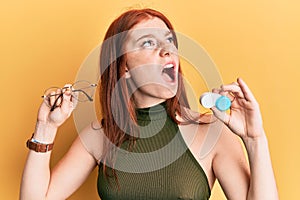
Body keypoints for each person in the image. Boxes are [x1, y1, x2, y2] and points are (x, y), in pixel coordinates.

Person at [20, 8, 278, 200]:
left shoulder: (212, 131)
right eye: (148, 43)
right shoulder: (99, 136)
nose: (167, 50)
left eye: (169, 41)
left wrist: (255, 139)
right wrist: (46, 127)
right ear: (125, 67)